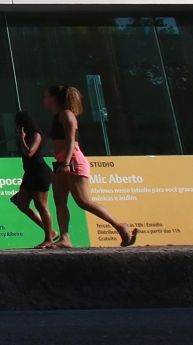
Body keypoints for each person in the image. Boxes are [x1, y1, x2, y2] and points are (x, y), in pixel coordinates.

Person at [45, 85, 137, 248]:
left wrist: (66, 162)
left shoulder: (66, 114)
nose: (44, 98)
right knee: (59, 199)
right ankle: (65, 238)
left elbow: (72, 140)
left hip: (71, 159)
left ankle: (120, 227)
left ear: (53, 98)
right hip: (61, 160)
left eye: (47, 95)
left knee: (83, 201)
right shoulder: (57, 115)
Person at [9, 110, 55, 248]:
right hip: (29, 174)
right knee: (21, 204)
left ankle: (49, 239)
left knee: (41, 206)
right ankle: (50, 231)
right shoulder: (24, 137)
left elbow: (29, 153)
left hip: (40, 173)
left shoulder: (36, 135)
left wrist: (22, 138)